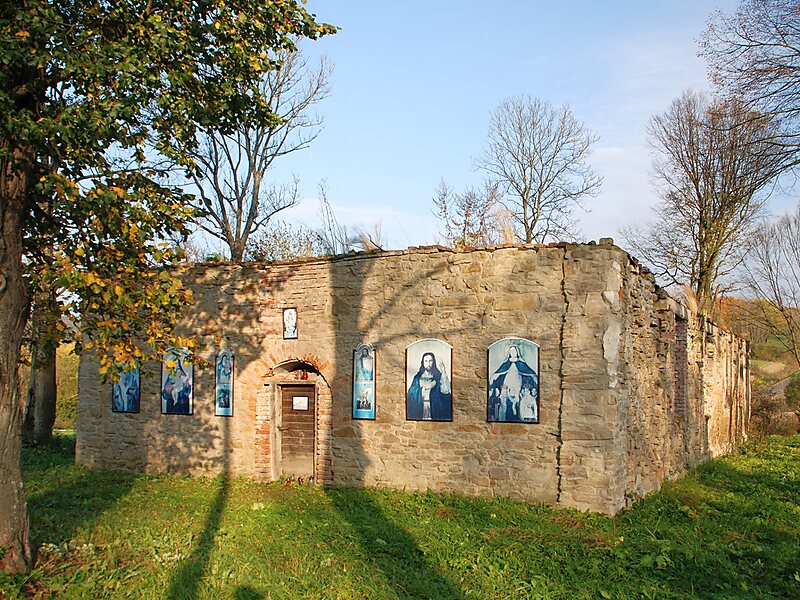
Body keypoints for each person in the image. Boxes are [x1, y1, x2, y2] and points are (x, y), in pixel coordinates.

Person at [488, 344, 538, 422]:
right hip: (508, 380)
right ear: (509, 352)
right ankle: (507, 413)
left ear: (517, 352)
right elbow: (499, 371)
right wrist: (493, 377)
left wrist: (534, 377)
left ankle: (518, 414)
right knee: (507, 395)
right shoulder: (506, 363)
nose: (513, 352)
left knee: (517, 396)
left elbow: (529, 371)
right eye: (511, 351)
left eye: (514, 351)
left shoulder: (521, 363)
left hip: (517, 380)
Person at [407, 351, 452, 420]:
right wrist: (425, 388)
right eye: (426, 361)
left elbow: (446, 390)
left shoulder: (438, 376)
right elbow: (411, 393)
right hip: (421, 408)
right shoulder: (418, 377)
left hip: (435, 408)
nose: (428, 364)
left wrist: (443, 371)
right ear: (423, 362)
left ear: (433, 362)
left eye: (430, 361)